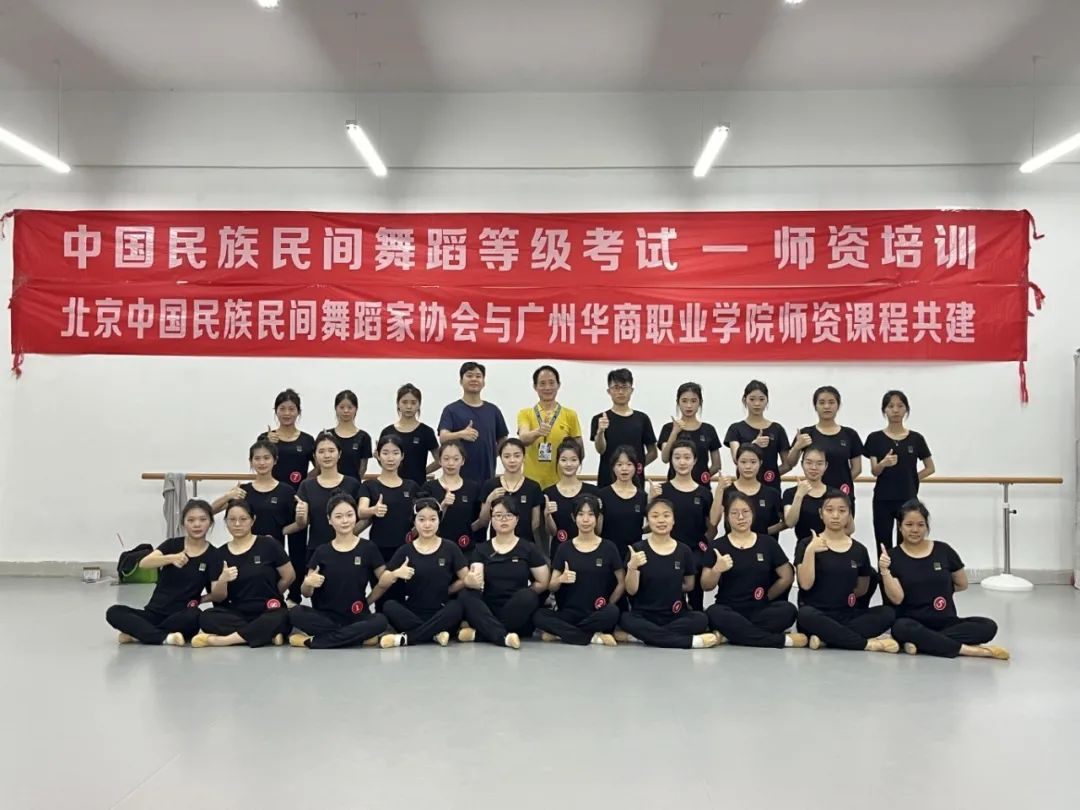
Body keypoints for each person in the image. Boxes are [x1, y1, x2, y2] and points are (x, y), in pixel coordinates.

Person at [882, 500, 1008, 659]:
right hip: (912, 623)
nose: (915, 530)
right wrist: (884, 570)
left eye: (921, 525)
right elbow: (896, 598)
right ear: (900, 527)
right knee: (901, 628)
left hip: (946, 622)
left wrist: (938, 588)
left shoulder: (943, 550)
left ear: (927, 527)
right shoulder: (892, 557)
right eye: (909, 524)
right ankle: (971, 650)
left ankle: (923, 643)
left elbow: (962, 584)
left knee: (988, 626)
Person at [105, 500, 222, 646]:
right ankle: (164, 637)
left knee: (195, 615)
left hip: (181, 616)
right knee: (114, 612)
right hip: (153, 612)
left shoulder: (214, 555)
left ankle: (141, 634)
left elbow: (217, 594)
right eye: (191, 520)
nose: (197, 524)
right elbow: (144, 563)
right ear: (183, 523)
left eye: (202, 519)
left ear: (210, 522)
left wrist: (200, 599)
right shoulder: (172, 545)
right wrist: (171, 558)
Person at [793, 490, 897, 653]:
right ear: (821, 513)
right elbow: (805, 584)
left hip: (847, 615)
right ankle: (864, 644)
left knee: (888, 613)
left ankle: (828, 638)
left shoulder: (859, 550)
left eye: (842, 511)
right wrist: (811, 551)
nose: (835, 516)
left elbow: (862, 589)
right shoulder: (807, 544)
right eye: (829, 510)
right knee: (805, 615)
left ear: (849, 515)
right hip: (817, 614)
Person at [701, 492, 804, 649]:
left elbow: (787, 576)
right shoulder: (717, 546)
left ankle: (732, 634)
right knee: (713, 613)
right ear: (727, 517)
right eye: (734, 513)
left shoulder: (767, 543)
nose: (740, 517)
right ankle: (782, 641)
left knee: (788, 610)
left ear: (753, 514)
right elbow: (706, 585)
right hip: (729, 609)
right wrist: (716, 570)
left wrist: (768, 596)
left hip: (761, 609)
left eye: (745, 512)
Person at [287, 494, 389, 649]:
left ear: (356, 516)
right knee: (295, 613)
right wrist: (308, 583)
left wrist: (368, 601)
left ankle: (312, 641)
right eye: (338, 516)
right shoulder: (321, 551)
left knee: (380, 621)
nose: (345, 521)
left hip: (357, 616)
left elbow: (384, 580)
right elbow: (306, 593)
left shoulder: (368, 548)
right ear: (329, 520)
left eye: (349, 515)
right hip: (325, 617)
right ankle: (357, 638)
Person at [192, 500, 295, 648]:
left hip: (268, 609)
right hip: (237, 612)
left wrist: (273, 592)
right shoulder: (219, 554)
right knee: (206, 617)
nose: (237, 524)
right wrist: (223, 580)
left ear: (253, 520)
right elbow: (219, 596)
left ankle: (226, 640)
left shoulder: (268, 544)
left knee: (282, 617)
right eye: (232, 519)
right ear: (226, 522)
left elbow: (289, 576)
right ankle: (266, 634)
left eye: (243, 519)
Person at [371, 498, 472, 648]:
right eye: (422, 519)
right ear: (414, 521)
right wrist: (396, 573)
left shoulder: (450, 547)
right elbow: (383, 581)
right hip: (412, 612)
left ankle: (406, 639)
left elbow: (466, 578)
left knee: (457, 607)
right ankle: (435, 634)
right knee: (389, 606)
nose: (427, 524)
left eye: (432, 519)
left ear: (439, 520)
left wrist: (451, 589)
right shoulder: (405, 550)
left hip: (441, 611)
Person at [619, 498, 718, 649]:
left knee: (701, 619)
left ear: (673, 520)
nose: (661, 520)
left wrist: (667, 586)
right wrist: (632, 567)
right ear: (648, 521)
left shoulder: (684, 550)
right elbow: (631, 590)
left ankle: (643, 637)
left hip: (675, 615)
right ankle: (690, 642)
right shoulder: (637, 549)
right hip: (644, 615)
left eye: (666, 515)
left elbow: (689, 585)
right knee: (625, 619)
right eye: (655, 516)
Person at [458, 496, 550, 649]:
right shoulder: (481, 549)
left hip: (517, 609)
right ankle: (503, 637)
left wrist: (528, 593)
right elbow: (476, 578)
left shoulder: (529, 548)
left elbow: (543, 582)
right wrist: (472, 580)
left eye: (508, 515)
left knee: (529, 596)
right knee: (466, 594)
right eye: (498, 515)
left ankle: (482, 633)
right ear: (492, 520)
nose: (503, 519)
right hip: (488, 608)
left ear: (517, 519)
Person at [535, 494, 624, 646]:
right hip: (568, 613)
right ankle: (591, 636)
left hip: (597, 613)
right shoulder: (564, 548)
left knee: (613, 612)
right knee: (538, 615)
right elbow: (552, 586)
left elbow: (621, 582)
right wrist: (561, 579)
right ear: (573, 517)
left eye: (591, 515)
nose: (585, 520)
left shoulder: (608, 547)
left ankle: (564, 634)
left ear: (597, 518)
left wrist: (609, 603)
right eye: (581, 514)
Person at [294, 432, 365, 604]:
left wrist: (348, 534)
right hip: (317, 549)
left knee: (350, 597)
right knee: (320, 600)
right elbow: (302, 524)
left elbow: (364, 517)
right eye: (321, 451)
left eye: (331, 450)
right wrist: (300, 515)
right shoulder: (307, 485)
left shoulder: (352, 484)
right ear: (315, 456)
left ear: (339, 454)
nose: (327, 455)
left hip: (349, 550)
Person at [865, 390, 935, 550]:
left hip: (908, 497)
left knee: (906, 541)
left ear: (906, 409)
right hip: (883, 498)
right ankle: (883, 567)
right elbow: (875, 471)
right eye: (890, 406)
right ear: (884, 410)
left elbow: (930, 467)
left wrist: (912, 478)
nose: (895, 410)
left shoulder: (916, 439)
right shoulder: (875, 438)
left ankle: (904, 567)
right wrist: (883, 463)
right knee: (883, 541)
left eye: (900, 406)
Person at [653, 440, 715, 612]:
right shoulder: (662, 491)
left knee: (696, 604)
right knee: (667, 600)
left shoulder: (704, 493)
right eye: (677, 457)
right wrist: (651, 498)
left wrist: (703, 547)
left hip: (695, 552)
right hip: (666, 551)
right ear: (671, 460)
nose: (682, 462)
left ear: (695, 460)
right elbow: (651, 521)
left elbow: (711, 526)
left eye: (687, 457)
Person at [211, 440, 302, 547]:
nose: (262, 463)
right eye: (257, 458)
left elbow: (299, 523)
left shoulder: (286, 491)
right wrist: (228, 496)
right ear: (251, 461)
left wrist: (282, 531)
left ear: (275, 460)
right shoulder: (243, 491)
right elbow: (209, 511)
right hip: (244, 549)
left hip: (274, 549)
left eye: (266, 458)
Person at [788, 386, 863, 511]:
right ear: (815, 406)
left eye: (831, 402)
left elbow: (857, 468)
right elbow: (790, 463)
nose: (827, 406)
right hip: (812, 494)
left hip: (841, 495)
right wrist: (797, 447)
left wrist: (841, 482)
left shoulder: (850, 434)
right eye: (822, 403)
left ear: (838, 405)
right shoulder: (806, 433)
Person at [438, 362, 509, 483]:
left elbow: (503, 439)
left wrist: (491, 454)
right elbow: (443, 438)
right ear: (461, 381)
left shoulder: (493, 410)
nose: (474, 379)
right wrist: (461, 434)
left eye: (478, 376)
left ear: (483, 382)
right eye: (469, 376)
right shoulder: (451, 410)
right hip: (458, 479)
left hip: (487, 476)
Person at [359, 434, 422, 569]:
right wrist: (373, 510)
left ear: (402, 456)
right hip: (379, 548)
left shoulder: (412, 486)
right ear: (378, 455)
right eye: (385, 453)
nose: (390, 458)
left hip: (408, 547)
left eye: (395, 453)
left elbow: (423, 513)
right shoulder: (369, 485)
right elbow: (361, 511)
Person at [517, 364, 584, 490]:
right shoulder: (525, 413)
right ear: (535, 387)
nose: (547, 387)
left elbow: (579, 450)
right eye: (542, 383)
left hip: (561, 483)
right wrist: (538, 432)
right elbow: (523, 438)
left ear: (558, 385)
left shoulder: (570, 415)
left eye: (551, 383)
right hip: (531, 483)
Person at [590, 368, 657, 488]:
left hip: (635, 482)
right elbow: (600, 450)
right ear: (609, 391)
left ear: (631, 390)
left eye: (625, 387)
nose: (620, 392)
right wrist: (600, 432)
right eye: (616, 387)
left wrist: (635, 467)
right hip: (607, 480)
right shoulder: (600, 419)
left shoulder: (642, 419)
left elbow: (653, 452)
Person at [724, 380, 793, 492]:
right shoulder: (735, 428)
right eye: (752, 399)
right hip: (743, 488)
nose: (757, 403)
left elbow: (787, 464)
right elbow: (736, 459)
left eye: (761, 399)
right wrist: (753, 445)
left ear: (767, 401)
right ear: (745, 400)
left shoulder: (777, 429)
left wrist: (771, 474)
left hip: (771, 488)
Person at [421, 440, 483, 556]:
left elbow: (478, 520)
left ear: (462, 461)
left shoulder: (472, 487)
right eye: (446, 459)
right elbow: (423, 520)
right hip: (434, 549)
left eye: (456, 459)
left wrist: (467, 531)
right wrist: (443, 505)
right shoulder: (429, 487)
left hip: (465, 548)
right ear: (440, 461)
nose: (451, 463)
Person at [477, 438, 544, 545]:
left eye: (517, 456)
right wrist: (489, 500)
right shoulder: (490, 485)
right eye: (507, 456)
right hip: (497, 545)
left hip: (525, 545)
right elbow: (483, 522)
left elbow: (535, 523)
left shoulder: (533, 487)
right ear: (501, 458)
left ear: (524, 457)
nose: (512, 460)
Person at [657, 382, 722, 485]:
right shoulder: (668, 428)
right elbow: (665, 458)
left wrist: (703, 478)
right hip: (674, 487)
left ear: (700, 402)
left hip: (701, 488)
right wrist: (674, 432)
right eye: (684, 401)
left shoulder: (708, 429)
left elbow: (717, 465)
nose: (689, 405)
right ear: (678, 402)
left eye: (693, 401)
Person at [711, 445, 783, 537]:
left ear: (760, 463)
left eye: (753, 462)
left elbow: (788, 521)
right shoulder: (727, 491)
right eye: (743, 462)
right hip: (732, 543)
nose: (748, 466)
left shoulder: (771, 493)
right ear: (737, 463)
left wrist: (765, 532)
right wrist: (719, 490)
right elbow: (713, 521)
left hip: (762, 543)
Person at [543, 439, 601, 554]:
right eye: (564, 460)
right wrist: (547, 515)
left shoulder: (592, 491)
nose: (568, 464)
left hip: (589, 551)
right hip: (559, 551)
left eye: (573, 460)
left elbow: (598, 531)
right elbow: (552, 532)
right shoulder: (549, 493)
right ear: (557, 461)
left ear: (579, 462)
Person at [380, 383, 439, 486]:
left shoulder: (426, 432)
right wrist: (378, 457)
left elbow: (440, 460)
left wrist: (423, 472)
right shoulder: (388, 432)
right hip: (391, 486)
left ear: (419, 405)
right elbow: (384, 462)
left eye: (413, 403)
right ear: (398, 404)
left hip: (418, 486)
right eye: (404, 402)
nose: (409, 406)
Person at [257, 388, 316, 486]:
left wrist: (306, 481)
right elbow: (258, 464)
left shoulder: (307, 440)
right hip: (270, 491)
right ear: (276, 411)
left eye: (291, 409)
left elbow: (320, 466)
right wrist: (266, 444)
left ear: (298, 411)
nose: (287, 413)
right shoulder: (264, 438)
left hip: (299, 493)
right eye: (282, 409)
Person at [597, 446, 648, 560]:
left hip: (634, 553)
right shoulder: (602, 495)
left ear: (636, 467)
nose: (624, 468)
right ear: (613, 468)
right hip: (608, 553)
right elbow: (597, 530)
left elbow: (653, 521)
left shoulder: (642, 496)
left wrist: (640, 531)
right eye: (619, 465)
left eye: (629, 464)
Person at [781, 446, 828, 542]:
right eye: (809, 463)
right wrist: (799, 495)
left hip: (830, 545)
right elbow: (790, 523)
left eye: (819, 463)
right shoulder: (791, 493)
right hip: (803, 546)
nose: (814, 467)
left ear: (826, 465)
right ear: (802, 464)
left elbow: (849, 528)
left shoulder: (835, 494)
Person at [331, 389, 372, 480]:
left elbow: (363, 468)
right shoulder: (328, 436)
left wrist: (353, 484)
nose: (346, 411)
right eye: (342, 407)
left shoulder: (363, 437)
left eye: (350, 407)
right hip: (328, 485)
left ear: (356, 409)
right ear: (336, 408)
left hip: (353, 485)